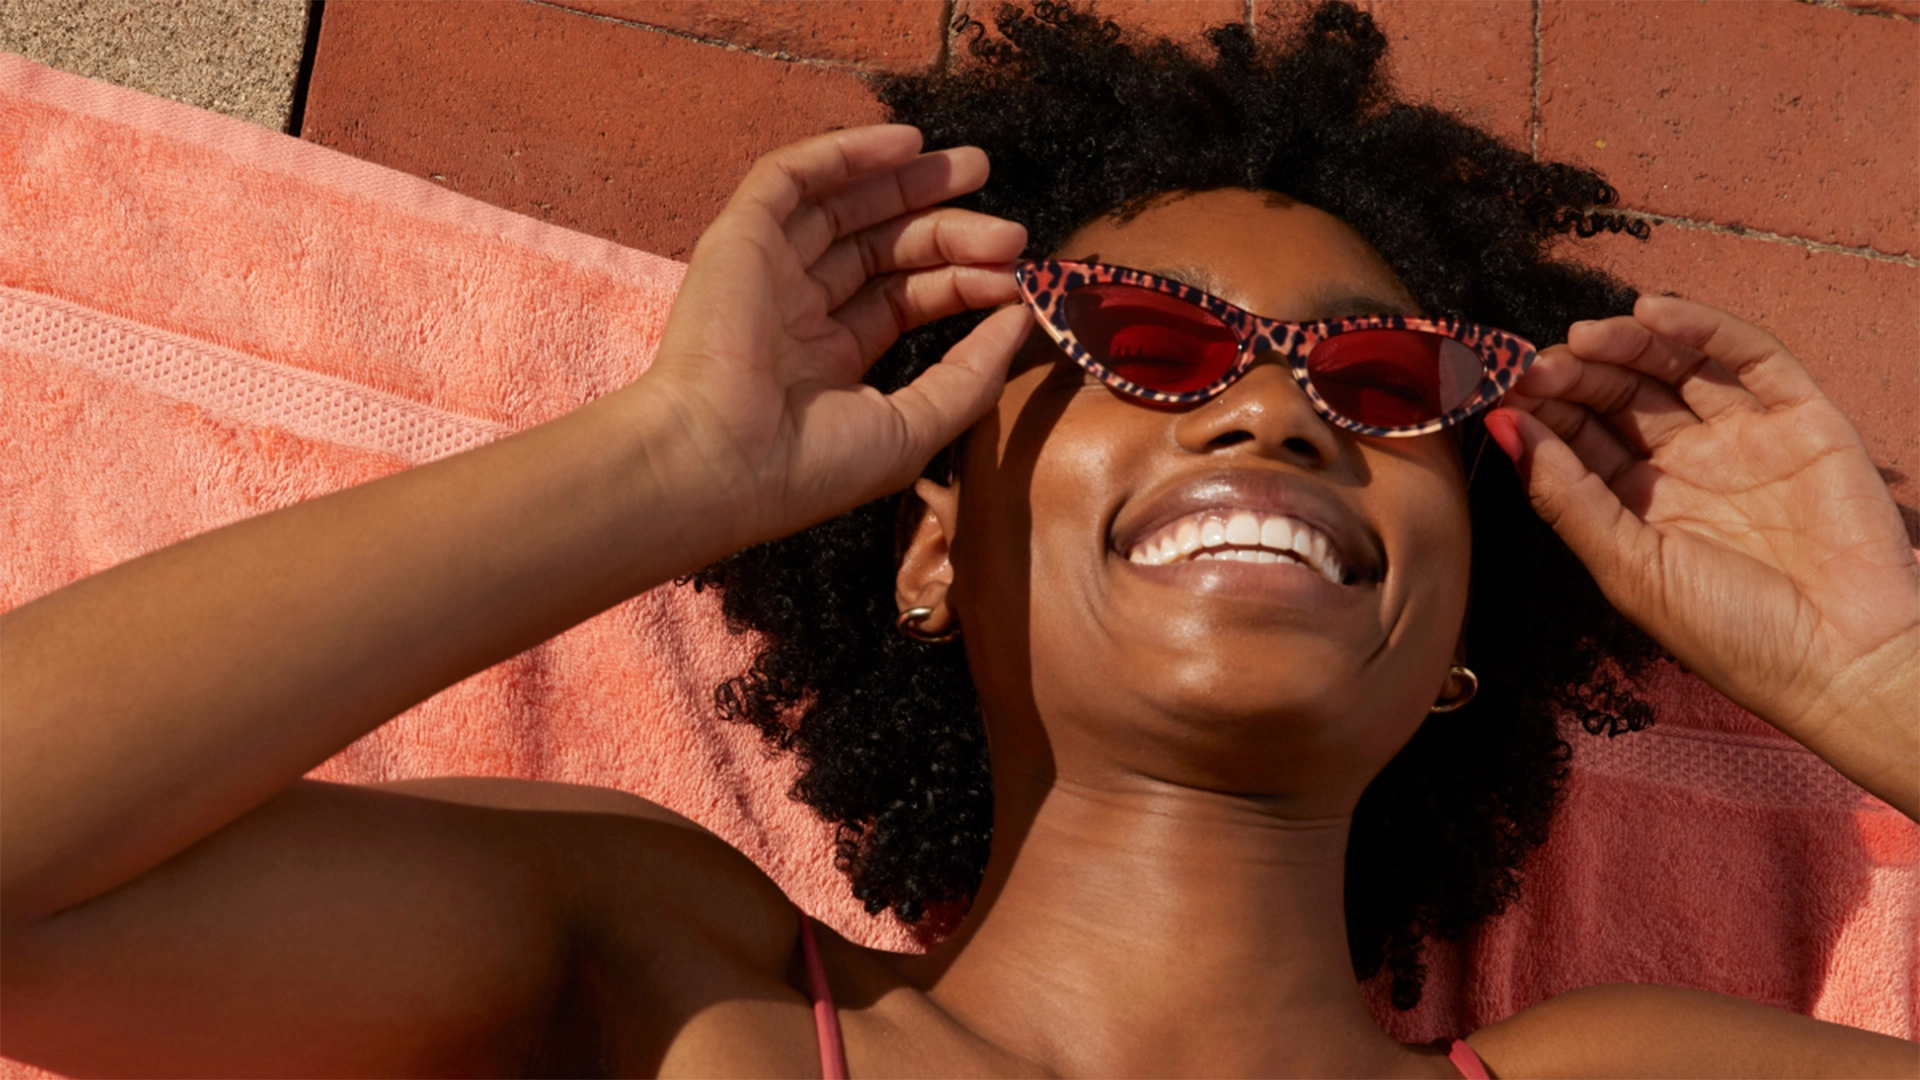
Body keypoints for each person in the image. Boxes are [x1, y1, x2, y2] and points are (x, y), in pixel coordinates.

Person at [2, 2, 1914, 1076]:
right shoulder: (673, 988)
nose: (1275, 414)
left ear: (1464, 634)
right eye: (1148, 345)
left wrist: (1881, 683)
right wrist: (666, 462)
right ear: (931, 552)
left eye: (1384, 381)